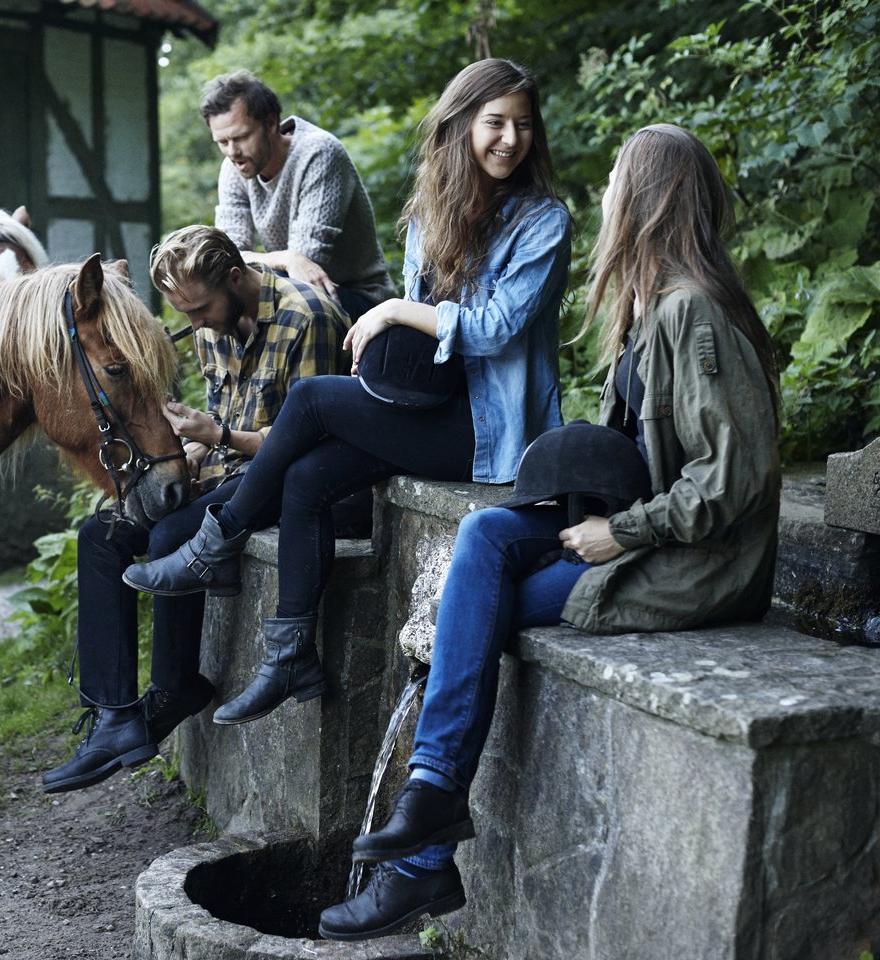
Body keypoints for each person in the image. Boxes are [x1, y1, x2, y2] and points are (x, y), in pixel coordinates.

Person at [313, 122, 783, 940]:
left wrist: (622, 533)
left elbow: (733, 482)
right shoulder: (648, 311)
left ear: (646, 199)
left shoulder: (694, 315)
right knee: (488, 536)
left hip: (693, 562)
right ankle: (427, 807)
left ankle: (422, 859)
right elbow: (630, 456)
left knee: (478, 606)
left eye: (615, 182)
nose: (602, 197)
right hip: (649, 534)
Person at [126, 59, 570, 727]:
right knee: (307, 477)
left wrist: (392, 311)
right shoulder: (430, 214)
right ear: (460, 128)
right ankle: (290, 657)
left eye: (523, 125)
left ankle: (215, 540)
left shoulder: (544, 222)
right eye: (495, 123)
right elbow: (428, 346)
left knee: (308, 403)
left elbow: (496, 331)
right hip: (431, 404)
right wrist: (393, 354)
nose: (511, 138)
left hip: (491, 430)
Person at [41, 226, 356, 794]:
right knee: (100, 536)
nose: (196, 323)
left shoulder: (307, 318)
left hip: (283, 481)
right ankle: (113, 715)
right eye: (184, 312)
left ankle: (174, 688)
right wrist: (187, 452)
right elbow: (216, 420)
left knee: (171, 537)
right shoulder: (210, 322)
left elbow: (311, 443)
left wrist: (218, 435)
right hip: (222, 469)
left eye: (202, 308)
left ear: (235, 278)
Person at [202, 69, 395, 320]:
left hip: (358, 298)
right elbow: (226, 258)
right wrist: (287, 258)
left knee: (264, 291)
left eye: (241, 137)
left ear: (271, 124)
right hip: (292, 285)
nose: (232, 151)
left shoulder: (319, 153)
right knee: (219, 294)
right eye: (222, 142)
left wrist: (293, 260)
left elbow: (308, 259)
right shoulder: (233, 167)